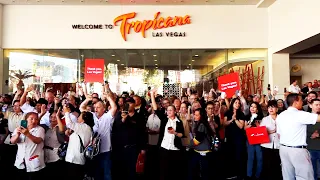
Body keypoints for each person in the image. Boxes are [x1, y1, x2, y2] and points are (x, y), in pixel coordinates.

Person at [276, 93, 320, 180]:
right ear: (295, 102)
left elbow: (279, 134)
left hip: (283, 149)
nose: (302, 102)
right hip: (297, 150)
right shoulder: (300, 114)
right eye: (300, 100)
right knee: (304, 176)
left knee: (288, 176)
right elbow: (318, 118)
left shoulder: (281, 115)